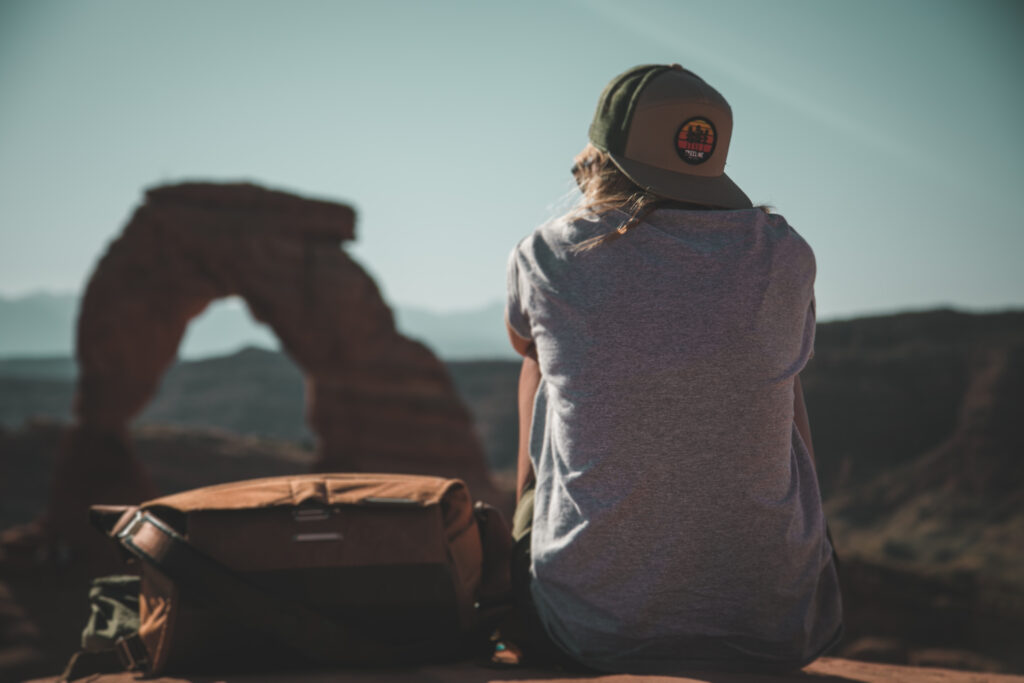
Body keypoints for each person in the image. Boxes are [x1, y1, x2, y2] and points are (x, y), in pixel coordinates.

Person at [502, 64, 843, 674]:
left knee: (541, 368)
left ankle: (535, 542)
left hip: (587, 631)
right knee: (778, 373)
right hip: (772, 626)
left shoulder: (547, 254)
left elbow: (523, 345)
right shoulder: (784, 251)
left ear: (602, 155)